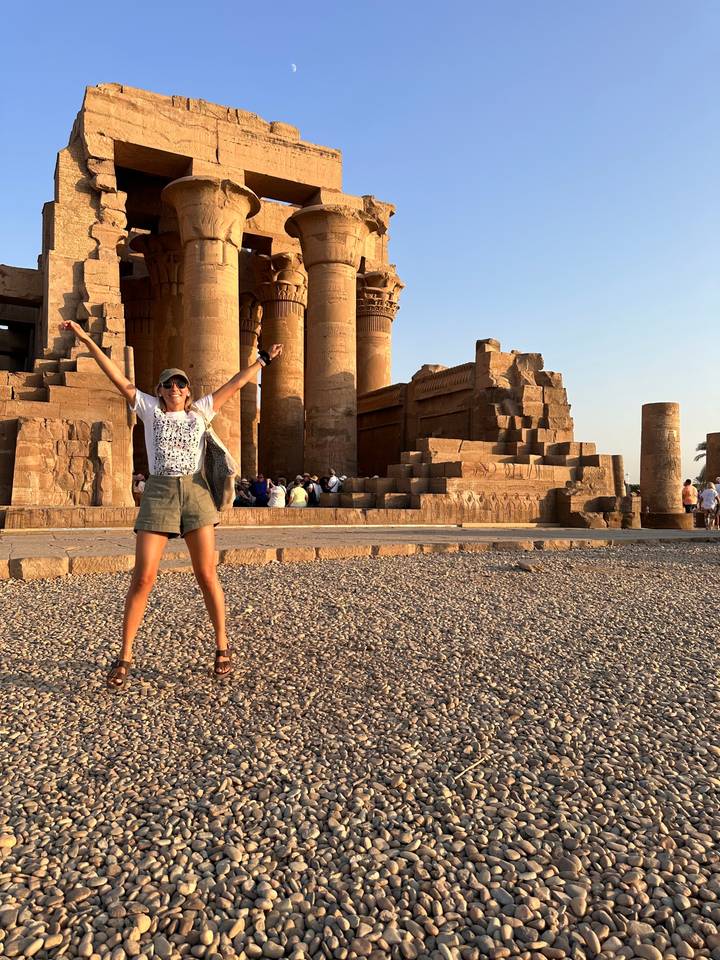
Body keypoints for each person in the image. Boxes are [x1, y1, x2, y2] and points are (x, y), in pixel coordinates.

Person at [61, 318, 282, 690]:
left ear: (187, 390)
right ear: (160, 390)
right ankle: (125, 656)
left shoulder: (201, 412)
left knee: (206, 574)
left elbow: (235, 383)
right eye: (169, 383)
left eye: (181, 383)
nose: (175, 387)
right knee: (144, 577)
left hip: (195, 492)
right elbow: (116, 375)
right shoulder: (148, 409)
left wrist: (262, 361)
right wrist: (85, 338)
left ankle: (222, 647)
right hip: (160, 492)